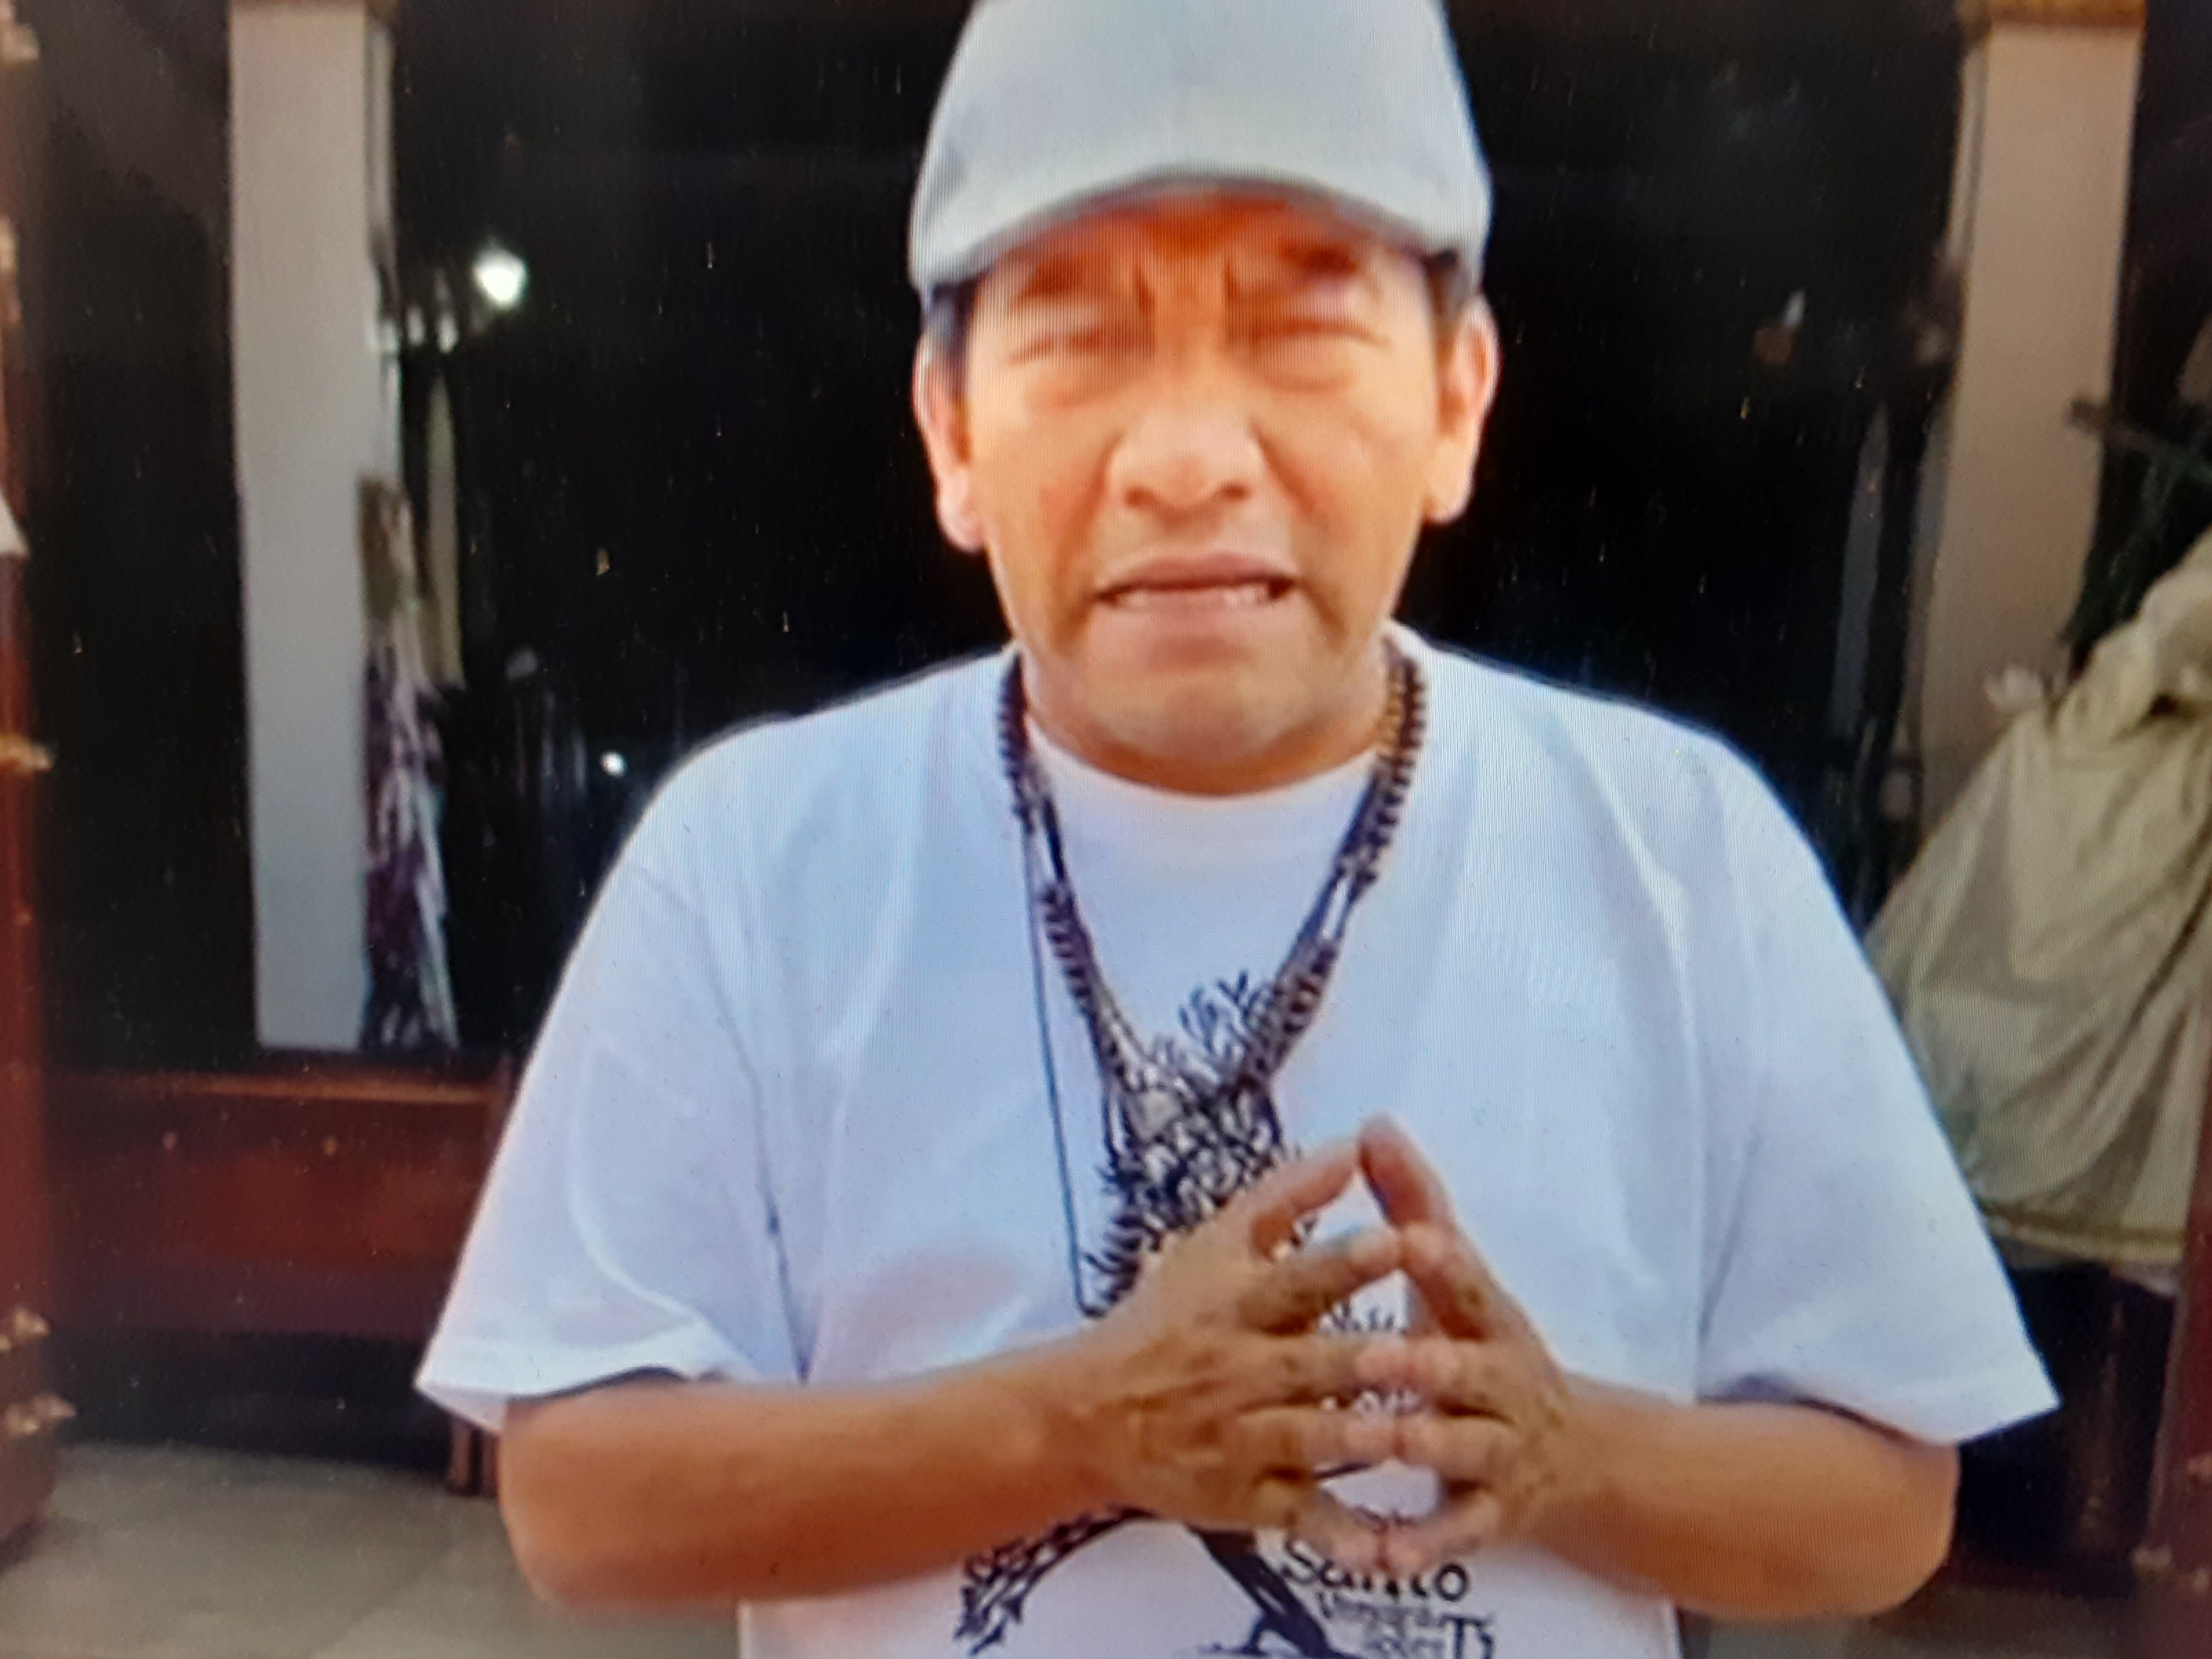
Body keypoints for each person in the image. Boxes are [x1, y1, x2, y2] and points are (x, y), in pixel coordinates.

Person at [419, 3, 2056, 1654]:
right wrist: (1081, 1425)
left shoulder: (1681, 856)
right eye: (1082, 336)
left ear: (1456, 404)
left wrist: (1566, 1453)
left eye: (1300, 330)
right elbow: (578, 1498)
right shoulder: (759, 861)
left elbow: (1885, 1503)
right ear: (953, 432)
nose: (1189, 459)